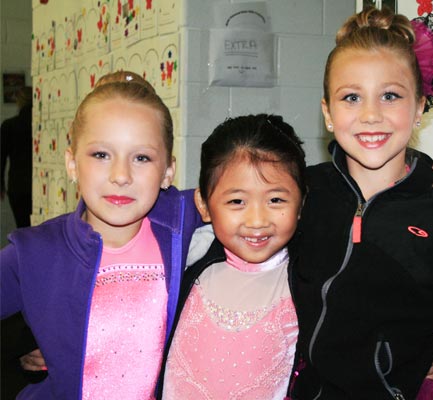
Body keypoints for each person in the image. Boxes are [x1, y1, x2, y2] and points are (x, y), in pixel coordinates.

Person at [287, 6, 433, 399]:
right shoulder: (299, 193)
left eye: (390, 95)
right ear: (327, 111)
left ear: (421, 106)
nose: (371, 115)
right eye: (351, 97)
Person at [0, 71, 202, 399]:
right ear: (72, 163)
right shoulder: (34, 251)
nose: (120, 175)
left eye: (141, 157)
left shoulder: (183, 220)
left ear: (168, 171)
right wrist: (24, 344)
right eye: (101, 155)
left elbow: (262, 186)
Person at [158, 114, 306, 399]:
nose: (257, 219)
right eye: (237, 201)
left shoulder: (308, 281)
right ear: (204, 204)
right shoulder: (186, 259)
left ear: (302, 203)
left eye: (276, 200)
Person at [1, 85, 33, 228]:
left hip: (18, 184)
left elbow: (1, 158)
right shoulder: (42, 124)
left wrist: (0, 184)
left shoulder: (9, 125)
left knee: (22, 226)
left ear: (19, 102)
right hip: (40, 180)